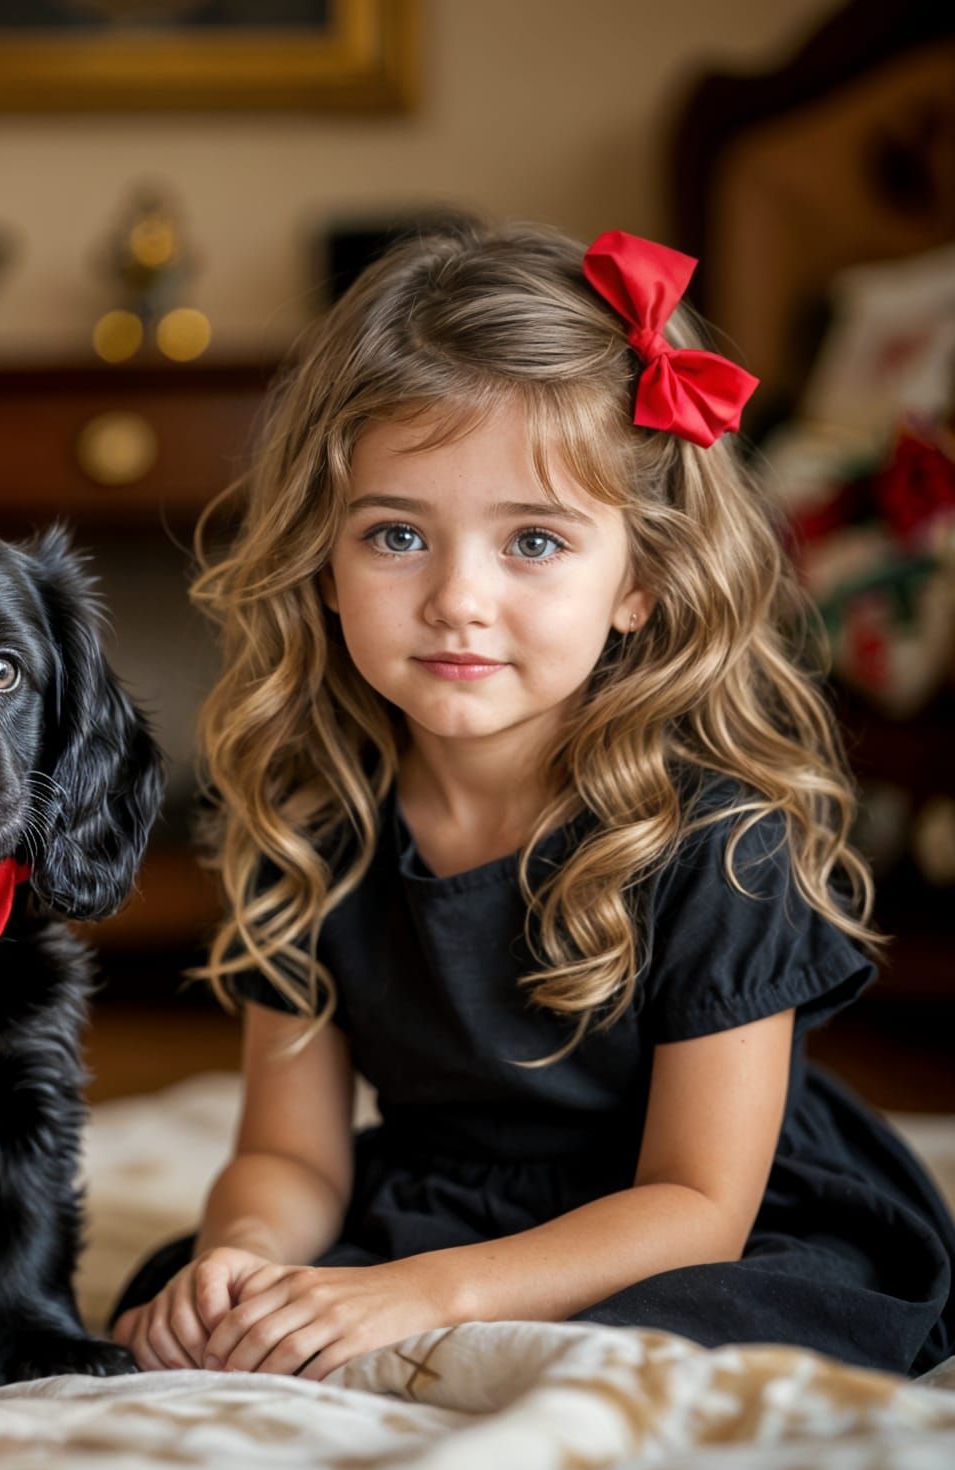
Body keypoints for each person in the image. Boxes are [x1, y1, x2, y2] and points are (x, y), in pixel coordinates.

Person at [108, 221, 955, 1382]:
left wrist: (426, 1294)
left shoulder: (720, 835)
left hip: (687, 1219)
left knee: (692, 1332)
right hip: (441, 1203)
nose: (458, 599)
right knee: (193, 1311)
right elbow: (292, 1159)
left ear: (640, 579)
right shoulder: (313, 820)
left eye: (536, 542)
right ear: (322, 557)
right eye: (396, 534)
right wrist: (242, 1254)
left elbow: (699, 1204)